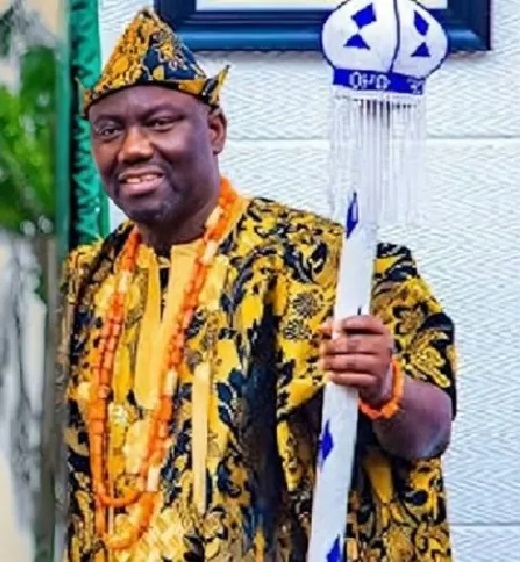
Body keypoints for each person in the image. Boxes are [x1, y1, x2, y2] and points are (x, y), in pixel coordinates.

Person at [60, 9, 456, 561]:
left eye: (160, 123)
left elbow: (430, 433)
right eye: (109, 131)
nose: (132, 148)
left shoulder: (329, 268)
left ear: (215, 130)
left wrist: (386, 386)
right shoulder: (80, 282)